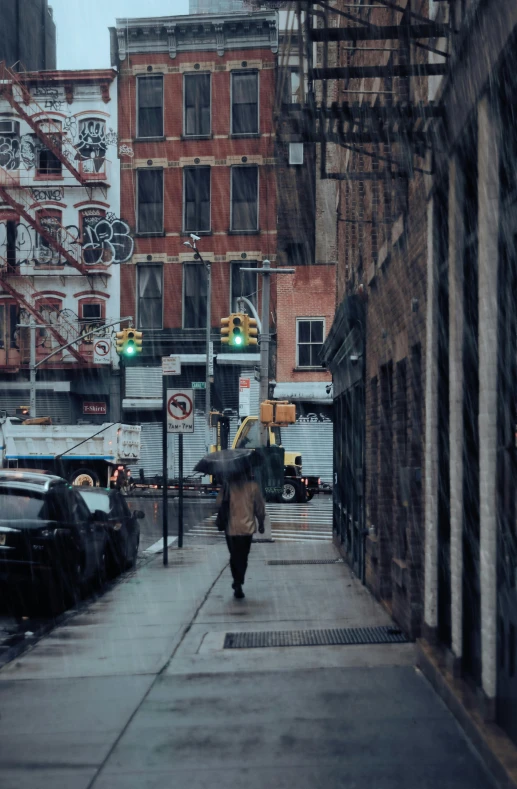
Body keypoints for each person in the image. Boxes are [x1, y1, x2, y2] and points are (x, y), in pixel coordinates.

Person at [217, 469, 266, 599]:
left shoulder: (228, 487)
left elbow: (219, 503)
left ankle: (236, 580)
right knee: (243, 556)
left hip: (231, 528)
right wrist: (261, 522)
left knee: (234, 556)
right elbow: (259, 507)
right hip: (246, 528)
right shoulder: (253, 487)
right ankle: (239, 581)